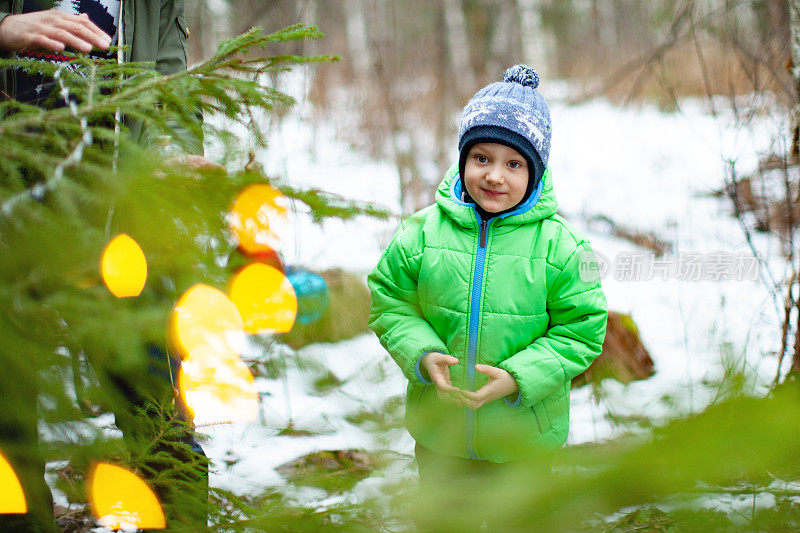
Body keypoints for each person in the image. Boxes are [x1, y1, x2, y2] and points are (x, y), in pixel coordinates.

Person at [368, 65, 608, 529]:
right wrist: (422, 355)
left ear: (535, 170)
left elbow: (582, 329)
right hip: (441, 435)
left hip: (524, 439)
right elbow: (390, 299)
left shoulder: (562, 248)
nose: (495, 175)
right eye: (481, 157)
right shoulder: (421, 232)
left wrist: (520, 377)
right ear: (462, 160)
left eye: (513, 163)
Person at [0, 2, 209, 531]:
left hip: (121, 233)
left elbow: (169, 82)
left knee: (161, 422)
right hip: (11, 232)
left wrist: (173, 153)